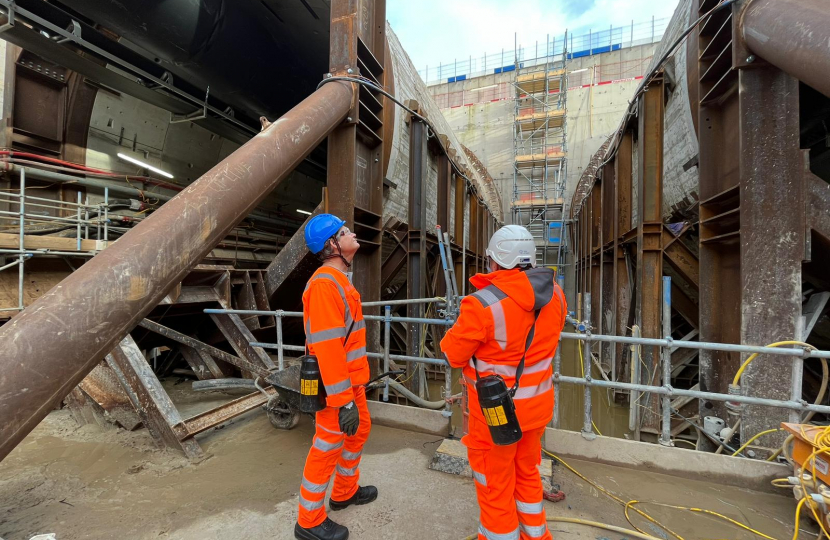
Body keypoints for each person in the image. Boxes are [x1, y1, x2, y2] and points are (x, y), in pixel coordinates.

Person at [441, 225, 566, 540]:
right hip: (536, 411)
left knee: (494, 488)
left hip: (495, 417)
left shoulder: (480, 304)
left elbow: (452, 355)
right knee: (527, 476)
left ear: (494, 261)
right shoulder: (557, 295)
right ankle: (536, 535)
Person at [294, 213, 377, 540]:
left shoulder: (339, 280)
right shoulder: (326, 285)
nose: (353, 233)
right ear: (332, 245)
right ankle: (309, 521)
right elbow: (328, 350)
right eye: (345, 232)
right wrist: (343, 403)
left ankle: (344, 492)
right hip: (334, 389)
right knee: (327, 444)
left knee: (359, 431)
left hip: (349, 382)